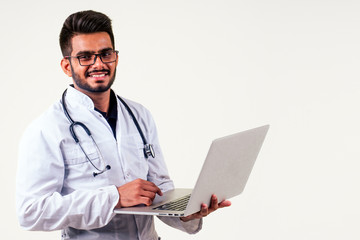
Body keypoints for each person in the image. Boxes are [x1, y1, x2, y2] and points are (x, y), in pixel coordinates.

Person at [16, 10, 231, 240]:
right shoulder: (46, 129)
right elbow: (31, 212)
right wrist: (114, 197)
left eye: (105, 54)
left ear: (115, 57)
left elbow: (159, 189)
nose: (98, 64)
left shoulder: (140, 115)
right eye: (85, 57)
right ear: (67, 66)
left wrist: (186, 213)